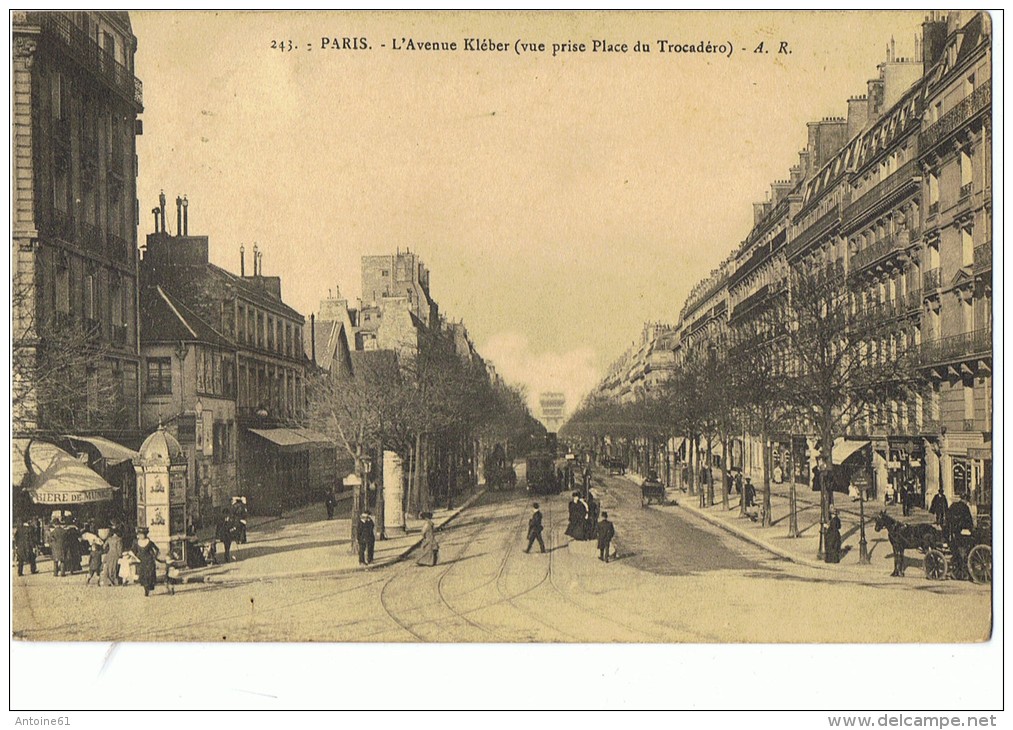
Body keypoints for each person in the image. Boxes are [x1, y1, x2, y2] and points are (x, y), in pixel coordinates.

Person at [946, 493, 974, 580]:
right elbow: (969, 520)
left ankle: (959, 571)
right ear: (966, 500)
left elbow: (948, 518)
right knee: (962, 551)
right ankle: (963, 572)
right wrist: (971, 529)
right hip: (963, 534)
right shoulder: (965, 508)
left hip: (955, 533)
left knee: (958, 552)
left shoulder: (953, 505)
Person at [132, 527, 161, 597]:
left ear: (145, 534)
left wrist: (154, 556)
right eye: (140, 534)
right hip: (141, 561)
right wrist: (135, 557)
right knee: (143, 575)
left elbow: (157, 550)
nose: (141, 536)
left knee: (149, 575)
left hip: (149, 560)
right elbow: (133, 551)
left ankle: (148, 588)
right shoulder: (136, 542)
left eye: (143, 534)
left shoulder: (149, 542)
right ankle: (146, 589)